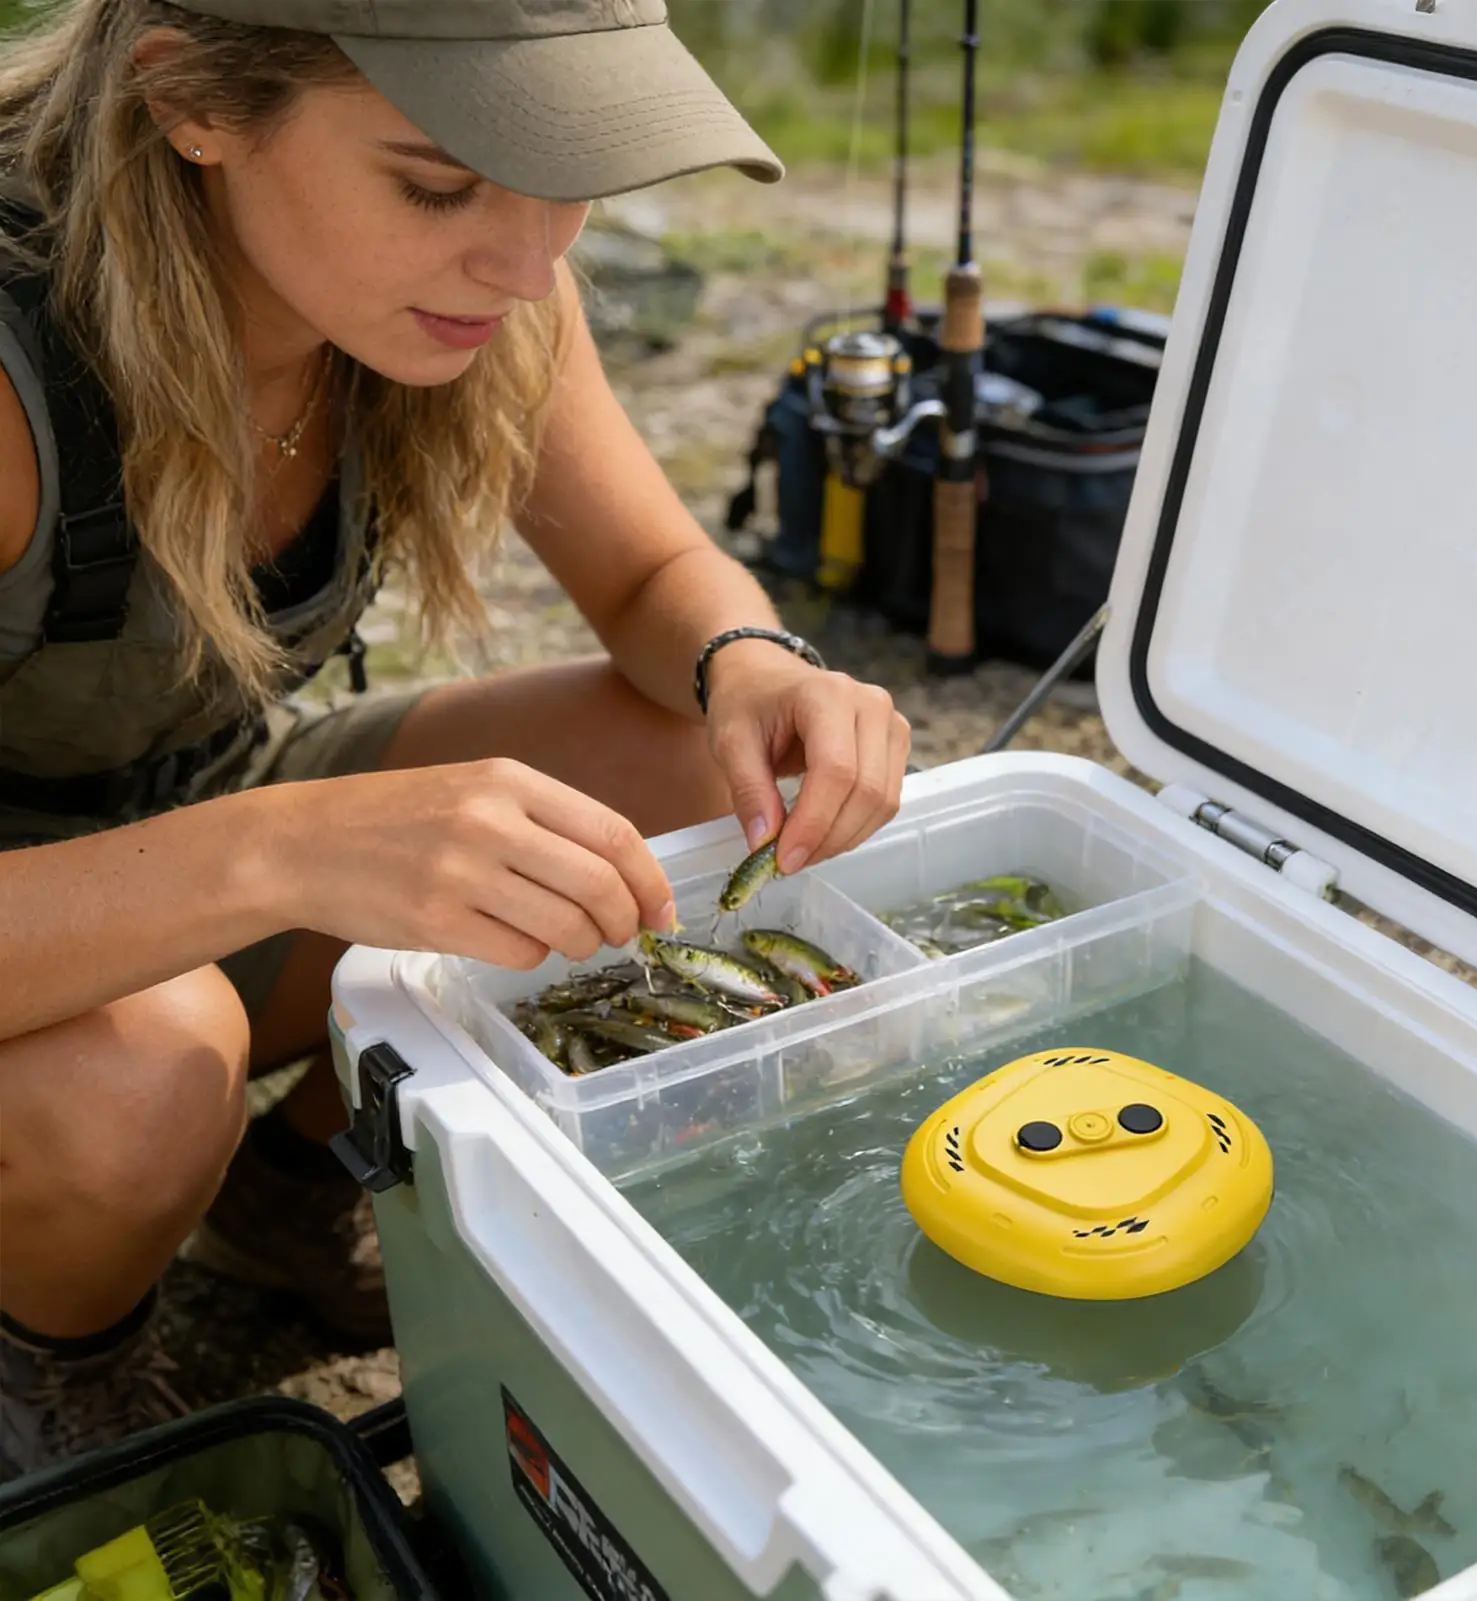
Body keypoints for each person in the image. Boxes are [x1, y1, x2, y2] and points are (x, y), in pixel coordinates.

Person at [0, 0, 913, 1481]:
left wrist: (751, 661)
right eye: (437, 186)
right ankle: (56, 1360)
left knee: (702, 760)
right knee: (143, 1080)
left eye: (567, 176)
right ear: (192, 105)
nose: (531, 264)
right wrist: (280, 851)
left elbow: (650, 581)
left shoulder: (480, 289)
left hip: (185, 807)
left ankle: (299, 1186)